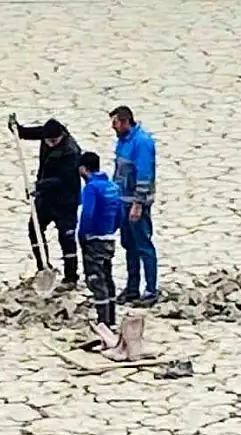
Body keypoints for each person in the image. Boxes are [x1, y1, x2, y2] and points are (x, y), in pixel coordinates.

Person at [8, 114, 83, 286]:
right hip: (46, 198)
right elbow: (26, 133)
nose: (49, 144)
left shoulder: (71, 152)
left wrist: (37, 186)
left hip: (65, 200)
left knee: (66, 237)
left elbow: (62, 180)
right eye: (47, 140)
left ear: (61, 136)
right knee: (34, 229)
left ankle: (71, 277)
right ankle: (43, 266)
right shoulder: (47, 133)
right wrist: (15, 128)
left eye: (53, 141)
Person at [108, 105, 159, 306]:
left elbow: (144, 174)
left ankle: (150, 290)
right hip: (123, 202)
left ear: (125, 121)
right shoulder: (123, 141)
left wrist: (138, 203)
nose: (113, 127)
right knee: (129, 245)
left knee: (143, 245)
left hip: (137, 204)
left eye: (115, 123)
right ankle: (132, 288)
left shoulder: (141, 142)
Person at [77, 152, 124, 329]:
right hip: (109, 238)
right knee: (108, 277)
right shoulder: (112, 186)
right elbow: (121, 213)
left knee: (96, 280)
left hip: (94, 239)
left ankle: (103, 321)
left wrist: (83, 235)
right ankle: (111, 318)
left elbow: (87, 214)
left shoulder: (91, 188)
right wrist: (112, 230)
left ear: (83, 169)